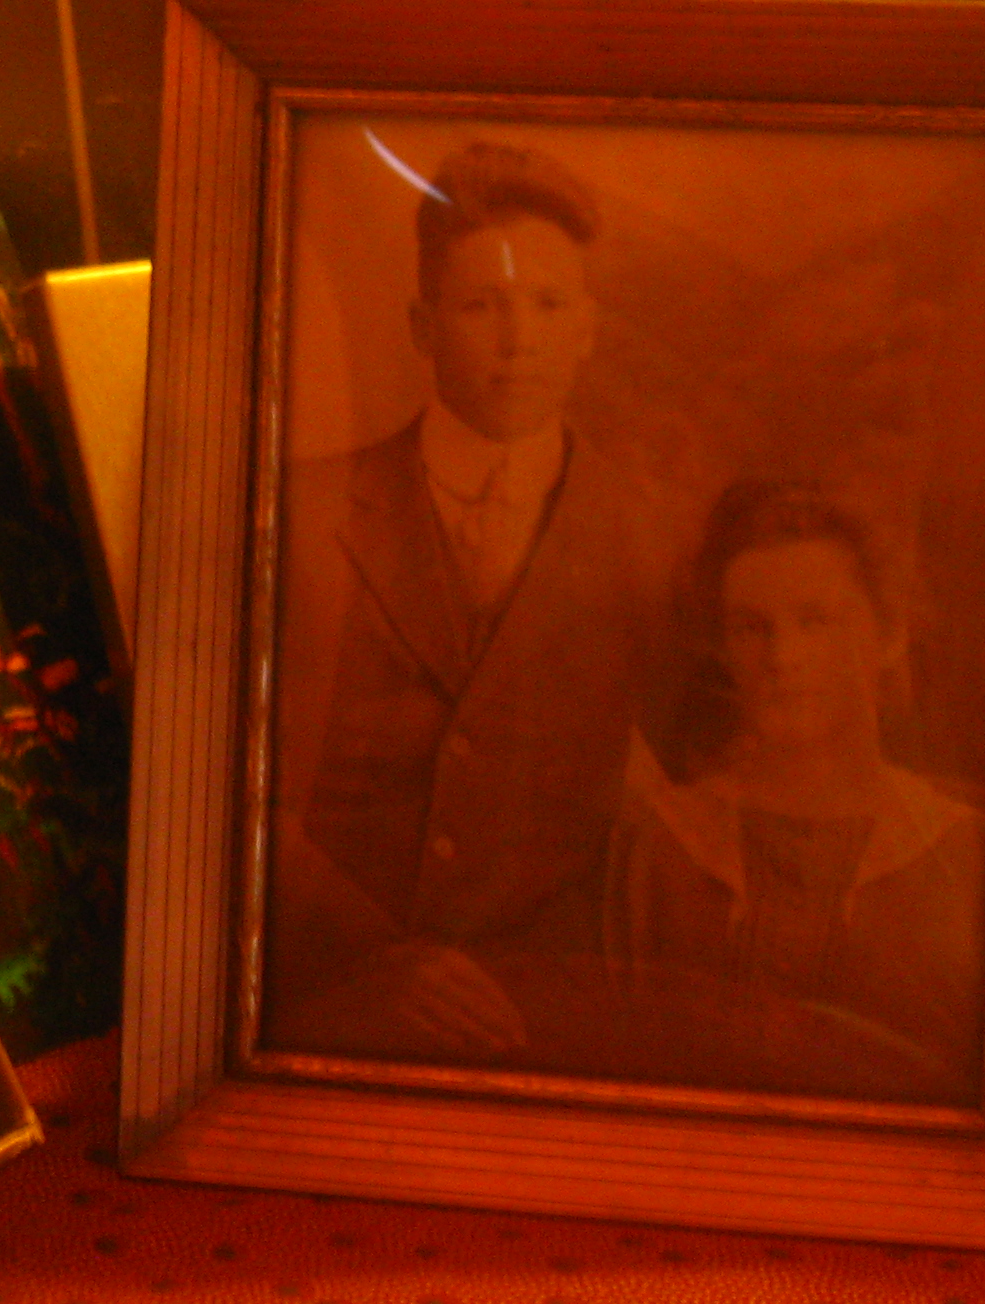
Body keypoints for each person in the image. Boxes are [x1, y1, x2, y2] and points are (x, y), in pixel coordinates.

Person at [265, 140, 690, 1069]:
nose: (518, 340)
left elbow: (710, 778)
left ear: (588, 328)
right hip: (325, 1000)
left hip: (552, 1013)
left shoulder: (649, 533)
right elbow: (233, 792)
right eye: (481, 305)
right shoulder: (304, 511)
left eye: (548, 305)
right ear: (423, 326)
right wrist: (375, 957)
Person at [603, 479, 985, 1102]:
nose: (783, 657)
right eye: (751, 628)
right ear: (722, 648)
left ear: (888, 634)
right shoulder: (664, 848)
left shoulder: (961, 855)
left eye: (816, 621)